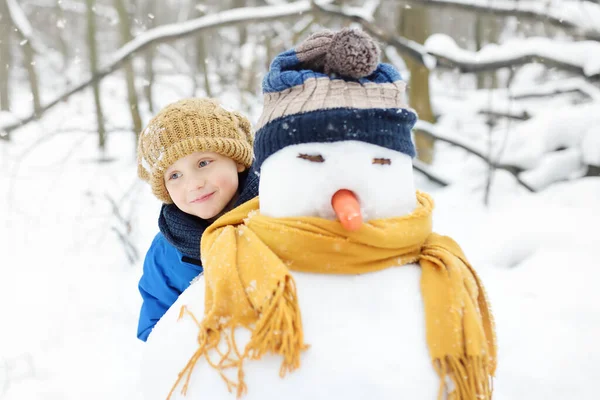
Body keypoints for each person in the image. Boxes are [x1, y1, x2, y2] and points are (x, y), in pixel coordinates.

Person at [135, 98, 258, 341]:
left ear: (237, 160)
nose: (194, 184)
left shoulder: (277, 210)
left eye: (203, 163)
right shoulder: (165, 254)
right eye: (175, 175)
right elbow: (155, 332)